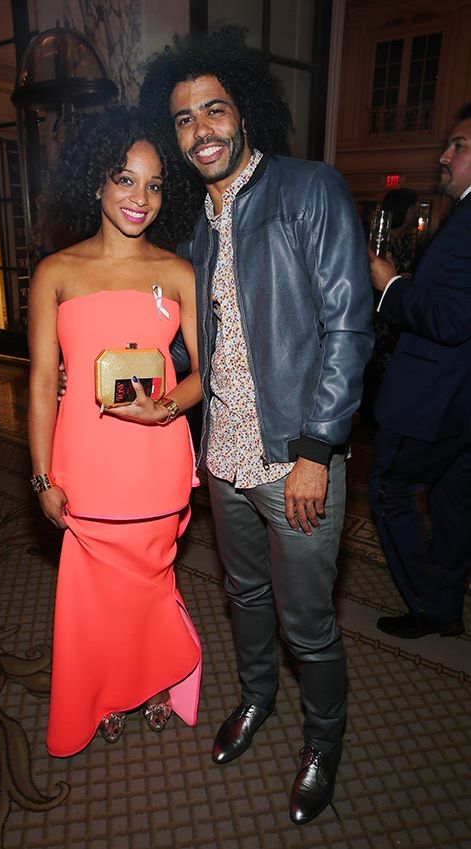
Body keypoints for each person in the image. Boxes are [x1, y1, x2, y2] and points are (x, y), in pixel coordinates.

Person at [139, 29, 374, 824]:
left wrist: (315, 451)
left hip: (294, 458)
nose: (200, 128)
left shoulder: (309, 189)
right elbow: (182, 345)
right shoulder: (192, 231)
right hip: (223, 454)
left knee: (306, 623)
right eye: (182, 119)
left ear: (244, 114)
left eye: (214, 109)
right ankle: (255, 699)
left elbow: (349, 328)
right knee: (241, 594)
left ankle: (323, 738)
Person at [27, 107, 203, 757]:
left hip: (154, 459)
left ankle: (157, 676)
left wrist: (169, 406)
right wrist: (42, 474)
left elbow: (206, 372)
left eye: (155, 184)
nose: (140, 198)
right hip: (86, 460)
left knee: (152, 580)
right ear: (96, 183)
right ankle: (105, 688)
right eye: (125, 180)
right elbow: (44, 382)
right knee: (96, 593)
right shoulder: (56, 272)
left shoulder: (178, 272)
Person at [368, 103, 471, 640]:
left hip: (432, 398)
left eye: (458, 146)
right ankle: (447, 605)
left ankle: (429, 606)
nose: (443, 155)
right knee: (454, 504)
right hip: (459, 401)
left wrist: (390, 285)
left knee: (389, 489)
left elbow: (450, 319)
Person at [361, 188, 420, 425]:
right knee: (377, 366)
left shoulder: (406, 240)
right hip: (379, 313)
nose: (417, 212)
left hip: (395, 312)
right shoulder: (380, 241)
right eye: (415, 207)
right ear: (405, 209)